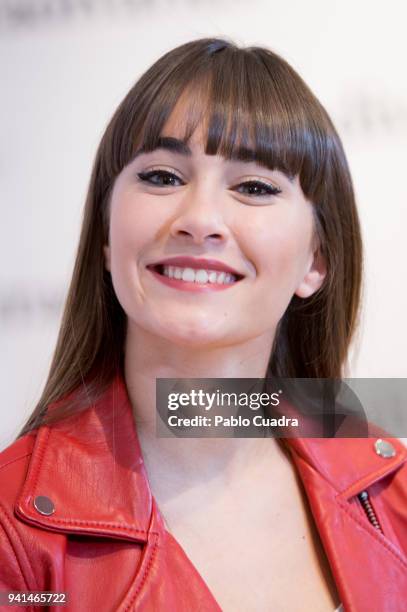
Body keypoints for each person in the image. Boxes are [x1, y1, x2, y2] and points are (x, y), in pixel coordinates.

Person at [0, 37, 406, 612]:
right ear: (107, 239)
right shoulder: (13, 540)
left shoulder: (392, 495)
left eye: (255, 187)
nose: (200, 219)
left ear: (315, 261)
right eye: (163, 177)